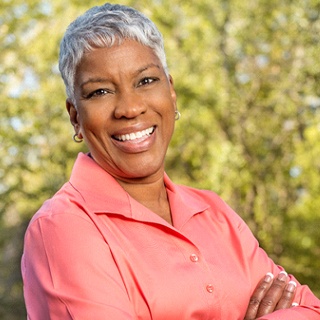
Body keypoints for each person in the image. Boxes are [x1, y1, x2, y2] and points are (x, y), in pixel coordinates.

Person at [21, 3, 320, 319]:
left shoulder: (215, 213)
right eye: (100, 92)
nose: (130, 107)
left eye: (146, 81)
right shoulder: (62, 228)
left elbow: (310, 309)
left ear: (171, 93)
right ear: (75, 117)